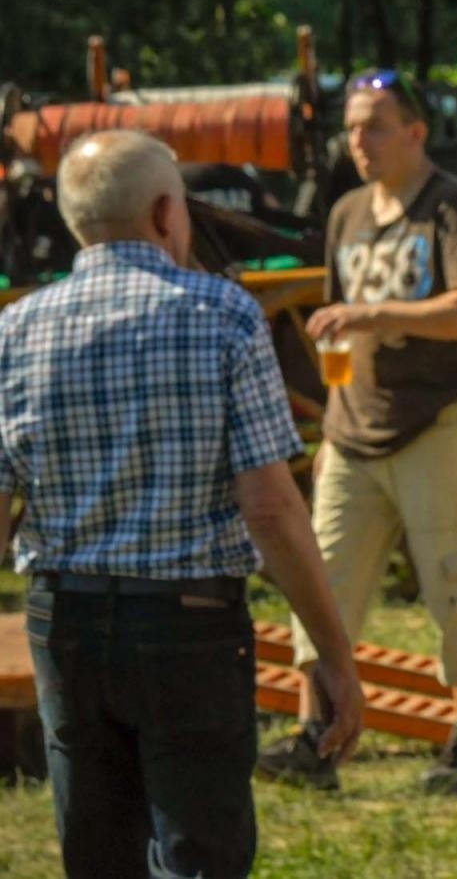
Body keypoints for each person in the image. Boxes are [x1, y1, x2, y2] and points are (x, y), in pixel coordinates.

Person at [0, 131, 363, 879]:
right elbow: (271, 508)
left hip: (63, 622)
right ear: (167, 212)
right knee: (200, 857)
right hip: (190, 623)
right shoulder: (224, 315)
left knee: (97, 856)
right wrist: (332, 653)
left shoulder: (15, 330)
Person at [257, 69, 457, 793]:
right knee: (321, 582)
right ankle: (315, 736)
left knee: (455, 581)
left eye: (374, 126)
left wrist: (374, 314)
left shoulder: (450, 205)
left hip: (435, 423)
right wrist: (333, 420)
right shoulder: (346, 214)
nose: (358, 141)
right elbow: (339, 328)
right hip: (351, 434)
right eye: (351, 128)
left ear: (415, 132)